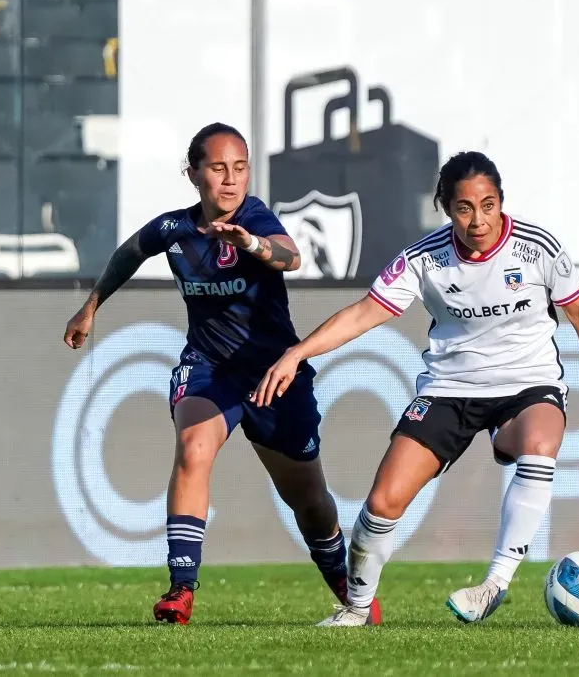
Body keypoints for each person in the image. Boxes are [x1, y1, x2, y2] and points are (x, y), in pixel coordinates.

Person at [253, 151, 579, 626]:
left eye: (488, 205)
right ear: (446, 207)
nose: (478, 220)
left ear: (501, 202)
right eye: (465, 208)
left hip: (527, 384)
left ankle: (495, 584)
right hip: (450, 388)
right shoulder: (423, 258)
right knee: (382, 503)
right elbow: (362, 314)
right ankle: (356, 609)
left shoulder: (539, 248)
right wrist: (297, 353)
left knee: (540, 442)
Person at [63, 123, 381, 626]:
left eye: (240, 168)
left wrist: (252, 244)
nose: (231, 180)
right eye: (218, 169)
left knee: (309, 500)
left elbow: (289, 256)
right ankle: (180, 590)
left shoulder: (253, 217)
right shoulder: (174, 230)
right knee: (193, 449)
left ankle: (347, 585)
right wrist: (91, 306)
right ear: (192, 174)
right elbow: (130, 252)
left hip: (275, 374)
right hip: (210, 369)